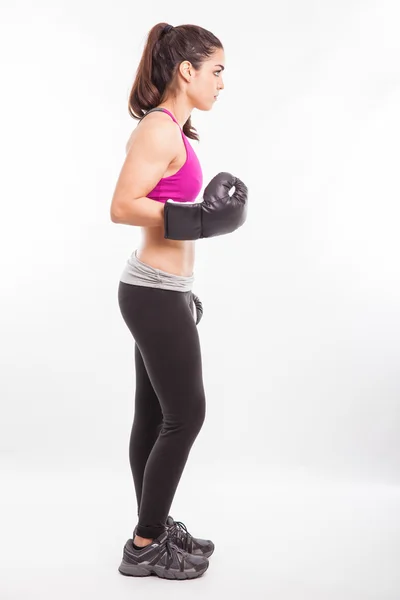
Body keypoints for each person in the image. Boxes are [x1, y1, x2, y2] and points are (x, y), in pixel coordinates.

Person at [110, 22, 248, 580]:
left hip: (164, 292)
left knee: (156, 413)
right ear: (186, 70)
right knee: (186, 415)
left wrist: (185, 290)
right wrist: (199, 219)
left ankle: (154, 520)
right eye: (216, 71)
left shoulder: (177, 131)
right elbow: (122, 205)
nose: (221, 83)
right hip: (149, 292)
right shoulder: (159, 130)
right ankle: (145, 543)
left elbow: (157, 209)